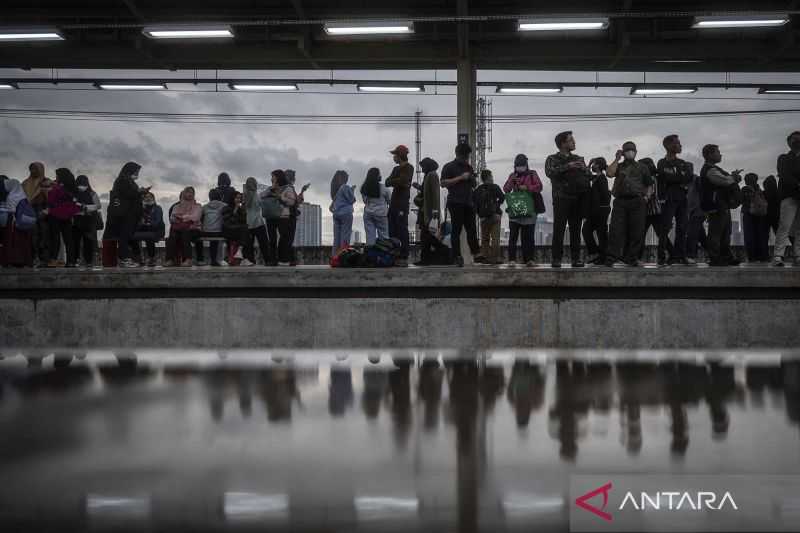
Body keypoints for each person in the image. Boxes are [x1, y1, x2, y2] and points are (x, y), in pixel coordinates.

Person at [545, 131, 591, 268]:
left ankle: (576, 259)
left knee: (576, 230)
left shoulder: (578, 158)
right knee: (559, 229)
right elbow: (549, 172)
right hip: (561, 198)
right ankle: (556, 259)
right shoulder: (552, 158)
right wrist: (568, 166)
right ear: (563, 144)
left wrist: (584, 168)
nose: (574, 142)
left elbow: (588, 176)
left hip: (577, 198)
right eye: (571, 140)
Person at [605, 141, 653, 267]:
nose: (630, 152)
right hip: (620, 201)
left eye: (632, 149)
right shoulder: (619, 166)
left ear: (636, 152)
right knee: (615, 230)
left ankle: (632, 258)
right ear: (623, 152)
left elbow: (649, 184)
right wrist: (616, 158)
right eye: (627, 150)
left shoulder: (643, 167)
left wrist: (647, 197)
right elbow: (609, 173)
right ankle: (611, 258)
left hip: (637, 201)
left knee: (637, 231)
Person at [699, 144, 742, 267]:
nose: (720, 154)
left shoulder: (713, 169)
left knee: (725, 233)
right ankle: (715, 258)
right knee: (716, 233)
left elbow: (726, 179)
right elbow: (725, 181)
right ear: (709, 155)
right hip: (716, 205)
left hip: (721, 205)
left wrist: (732, 177)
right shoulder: (709, 170)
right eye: (718, 152)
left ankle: (726, 257)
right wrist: (733, 177)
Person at [657, 135, 694, 265]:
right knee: (665, 227)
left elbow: (689, 178)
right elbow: (665, 177)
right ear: (669, 146)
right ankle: (661, 256)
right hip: (669, 198)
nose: (680, 146)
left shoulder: (683, 163)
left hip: (682, 198)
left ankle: (680, 256)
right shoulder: (662, 162)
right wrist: (680, 176)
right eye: (677, 143)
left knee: (682, 227)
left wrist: (677, 177)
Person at [441, 143, 480, 267]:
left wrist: (472, 178)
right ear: (458, 154)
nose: (466, 159)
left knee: (472, 230)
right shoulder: (449, 167)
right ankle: (457, 256)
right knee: (456, 230)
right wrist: (461, 177)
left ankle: (476, 254)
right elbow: (443, 183)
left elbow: (474, 185)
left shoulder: (469, 167)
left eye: (467, 157)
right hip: (455, 202)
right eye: (465, 157)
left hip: (468, 203)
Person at [503, 154, 543, 266]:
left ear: (526, 165)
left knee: (528, 237)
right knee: (513, 236)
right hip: (515, 210)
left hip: (530, 209)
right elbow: (506, 189)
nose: (520, 168)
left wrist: (527, 187)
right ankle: (512, 259)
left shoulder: (532, 174)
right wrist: (512, 180)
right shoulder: (513, 175)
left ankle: (529, 259)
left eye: (522, 165)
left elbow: (539, 186)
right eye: (518, 166)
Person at [106, 161, 143, 268]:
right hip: (126, 214)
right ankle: (124, 259)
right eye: (136, 171)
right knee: (124, 236)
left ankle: (130, 258)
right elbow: (128, 194)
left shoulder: (129, 181)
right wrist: (140, 192)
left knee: (127, 236)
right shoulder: (122, 180)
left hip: (131, 214)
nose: (137, 173)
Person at [413, 157, 448, 266]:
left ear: (427, 166)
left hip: (429, 212)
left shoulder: (432, 175)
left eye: (423, 166)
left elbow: (435, 195)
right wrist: (418, 187)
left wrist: (434, 212)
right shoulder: (428, 176)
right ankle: (426, 259)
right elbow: (426, 193)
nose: (422, 168)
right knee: (426, 236)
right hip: (426, 211)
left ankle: (444, 251)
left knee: (427, 236)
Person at [773, 131, 800, 266]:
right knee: (784, 226)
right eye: (794, 139)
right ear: (789, 143)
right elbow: (784, 175)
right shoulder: (783, 158)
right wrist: (798, 184)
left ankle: (798, 255)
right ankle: (778, 256)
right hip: (789, 196)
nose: (797, 141)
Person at [638, 157, 672, 265]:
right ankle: (673, 254)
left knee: (641, 235)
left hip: (651, 212)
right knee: (661, 235)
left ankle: (638, 257)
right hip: (656, 212)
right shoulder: (656, 178)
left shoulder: (650, 179)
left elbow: (650, 194)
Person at [385, 145, 414, 264]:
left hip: (402, 203)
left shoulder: (409, 167)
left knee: (402, 229)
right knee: (392, 229)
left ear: (400, 155)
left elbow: (404, 181)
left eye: (395, 155)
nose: (393, 157)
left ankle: (404, 255)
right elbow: (387, 182)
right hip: (393, 204)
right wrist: (399, 182)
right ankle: (395, 253)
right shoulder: (395, 169)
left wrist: (397, 181)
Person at [47, 168, 80, 267]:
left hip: (55, 215)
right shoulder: (72, 188)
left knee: (55, 238)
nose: (56, 177)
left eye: (57, 175)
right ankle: (71, 261)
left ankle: (53, 260)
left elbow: (51, 200)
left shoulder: (57, 187)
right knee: (69, 240)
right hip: (67, 216)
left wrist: (52, 189)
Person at [582, 157, 611, 265]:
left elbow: (604, 195)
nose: (593, 166)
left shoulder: (602, 178)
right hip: (595, 210)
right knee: (588, 231)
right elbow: (586, 174)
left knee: (600, 233)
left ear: (598, 165)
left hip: (600, 210)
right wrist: (589, 165)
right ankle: (597, 254)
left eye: (594, 164)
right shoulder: (596, 178)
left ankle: (602, 256)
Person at [474, 169, 505, 264]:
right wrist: (497, 205)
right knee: (495, 238)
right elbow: (503, 198)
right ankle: (495, 258)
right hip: (495, 216)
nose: (492, 178)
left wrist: (480, 214)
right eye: (491, 176)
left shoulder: (478, 190)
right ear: (489, 177)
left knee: (485, 239)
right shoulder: (495, 187)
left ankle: (486, 258)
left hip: (484, 218)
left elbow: (475, 204)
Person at [0, 178, 34, 267]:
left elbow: (10, 211)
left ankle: (13, 261)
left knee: (14, 242)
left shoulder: (11, 197)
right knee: (23, 243)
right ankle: (23, 261)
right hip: (23, 223)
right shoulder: (21, 195)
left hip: (15, 224)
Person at [165, 186, 202, 267]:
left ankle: (188, 259)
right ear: (183, 193)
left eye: (192, 192)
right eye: (188, 192)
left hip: (194, 229)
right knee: (172, 235)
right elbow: (172, 218)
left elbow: (196, 217)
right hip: (180, 229)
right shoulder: (176, 206)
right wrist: (187, 217)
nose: (190, 194)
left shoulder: (198, 206)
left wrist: (181, 217)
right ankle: (170, 259)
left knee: (185, 233)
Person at [22, 162, 50, 266]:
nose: (33, 171)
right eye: (31, 169)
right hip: (29, 211)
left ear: (41, 169)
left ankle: (44, 259)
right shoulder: (25, 183)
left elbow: (52, 200)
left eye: (35, 169)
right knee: (33, 236)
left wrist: (46, 211)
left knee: (44, 235)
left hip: (43, 211)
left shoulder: (47, 182)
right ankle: (33, 258)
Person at [72, 175, 101, 267]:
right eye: (80, 184)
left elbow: (98, 206)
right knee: (75, 241)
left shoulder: (92, 193)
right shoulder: (73, 193)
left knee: (88, 241)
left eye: (83, 184)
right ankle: (76, 259)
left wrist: (85, 207)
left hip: (88, 220)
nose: (82, 186)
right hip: (76, 220)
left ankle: (89, 261)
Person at [741, 173, 770, 263]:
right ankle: (763, 256)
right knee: (761, 235)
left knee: (749, 236)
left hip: (748, 214)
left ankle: (752, 256)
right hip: (761, 215)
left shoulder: (745, 189)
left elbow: (740, 200)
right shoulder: (760, 191)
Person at [130, 191, 164, 267]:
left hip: (156, 231)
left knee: (149, 236)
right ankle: (138, 258)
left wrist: (147, 222)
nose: (148, 198)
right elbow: (137, 223)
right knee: (131, 236)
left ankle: (152, 258)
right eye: (146, 197)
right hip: (144, 230)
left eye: (150, 197)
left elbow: (157, 223)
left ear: (153, 199)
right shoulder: (140, 209)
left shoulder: (158, 208)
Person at [244, 177, 271, 266]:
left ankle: (251, 261)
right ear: (255, 184)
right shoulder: (255, 194)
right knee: (264, 243)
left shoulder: (245, 195)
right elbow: (262, 200)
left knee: (249, 245)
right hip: (258, 222)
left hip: (248, 223)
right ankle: (268, 261)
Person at [272, 169, 297, 265]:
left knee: (286, 238)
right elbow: (291, 202)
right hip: (285, 216)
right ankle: (285, 259)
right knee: (286, 238)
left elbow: (292, 202)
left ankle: (286, 259)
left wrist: (280, 197)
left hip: (287, 215)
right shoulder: (286, 188)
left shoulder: (287, 188)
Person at [361, 167, 392, 245]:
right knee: (384, 237)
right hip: (381, 214)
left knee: (370, 237)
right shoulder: (384, 188)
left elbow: (365, 201)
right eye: (379, 174)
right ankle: (383, 255)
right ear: (377, 176)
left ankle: (370, 255)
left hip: (368, 214)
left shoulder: (364, 188)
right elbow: (390, 201)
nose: (380, 175)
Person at [199, 188, 227, 266]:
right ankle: (223, 259)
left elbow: (201, 219)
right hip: (218, 232)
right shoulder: (224, 205)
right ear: (219, 196)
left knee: (212, 239)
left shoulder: (204, 207)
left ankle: (211, 260)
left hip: (206, 232)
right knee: (219, 235)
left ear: (210, 197)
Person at [285, 169, 308, 266]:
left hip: (289, 216)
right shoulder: (287, 188)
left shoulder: (288, 188)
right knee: (288, 239)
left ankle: (288, 259)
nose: (293, 179)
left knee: (288, 239)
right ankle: (289, 259)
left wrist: (302, 191)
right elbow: (295, 202)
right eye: (292, 177)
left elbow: (296, 201)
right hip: (289, 216)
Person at [330, 170, 355, 254]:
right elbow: (352, 200)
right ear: (344, 178)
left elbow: (331, 207)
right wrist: (352, 190)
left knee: (336, 237)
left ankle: (334, 257)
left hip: (336, 214)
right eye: (347, 177)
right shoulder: (345, 187)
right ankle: (342, 257)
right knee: (345, 236)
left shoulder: (335, 191)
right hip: (346, 214)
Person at [222, 191, 250, 266]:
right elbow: (228, 222)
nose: (238, 200)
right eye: (237, 198)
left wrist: (243, 210)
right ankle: (243, 257)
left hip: (237, 231)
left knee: (246, 230)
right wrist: (235, 211)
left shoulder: (240, 209)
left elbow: (244, 221)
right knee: (245, 231)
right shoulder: (226, 208)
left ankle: (241, 254)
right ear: (232, 198)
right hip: (227, 230)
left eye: (240, 198)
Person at [685, 172, 707, 265]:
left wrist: (706, 210)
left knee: (692, 233)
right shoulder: (686, 181)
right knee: (701, 235)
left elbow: (704, 193)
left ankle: (691, 255)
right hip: (691, 212)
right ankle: (714, 252)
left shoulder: (696, 180)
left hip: (698, 211)